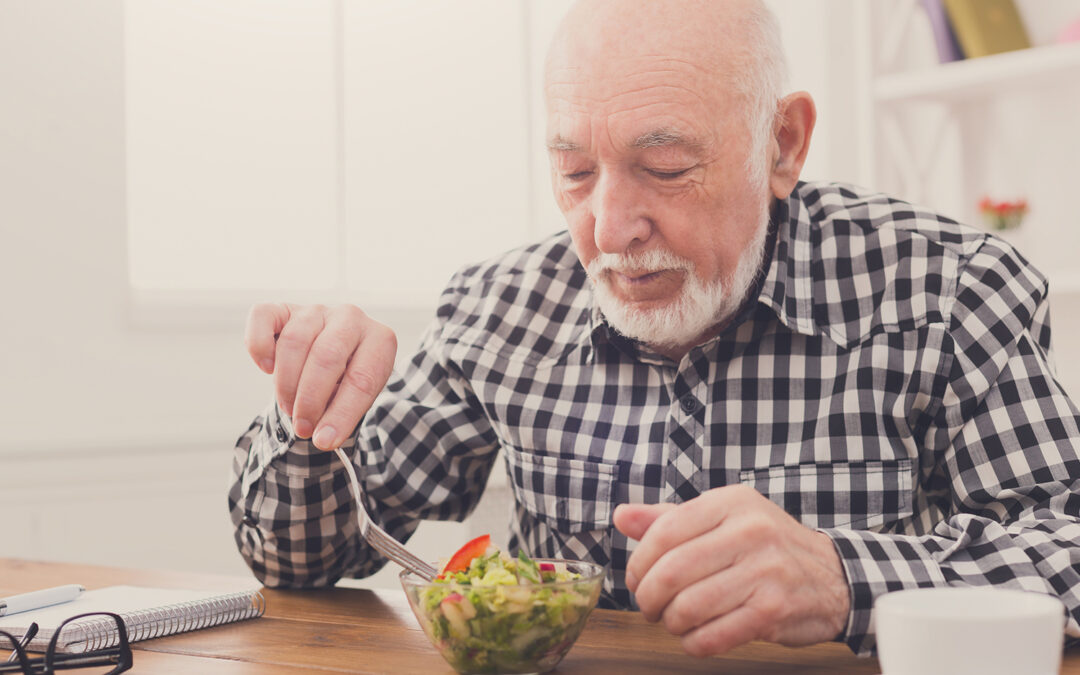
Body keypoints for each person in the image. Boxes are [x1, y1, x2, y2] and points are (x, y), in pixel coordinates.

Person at [229, 0, 1080, 658]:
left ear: (783, 144)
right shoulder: (499, 308)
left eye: (665, 169)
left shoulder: (949, 290)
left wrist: (844, 578)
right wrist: (311, 414)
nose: (608, 227)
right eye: (574, 171)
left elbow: (1066, 546)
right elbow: (307, 558)